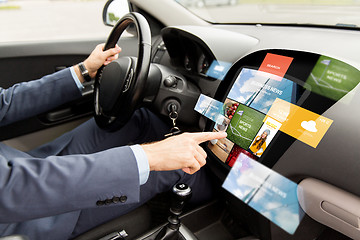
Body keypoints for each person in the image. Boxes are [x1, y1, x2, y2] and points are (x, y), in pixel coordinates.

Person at [0, 44, 227, 240]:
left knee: (139, 120)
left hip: (24, 164)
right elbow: (12, 188)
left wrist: (83, 71)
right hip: (25, 213)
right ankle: (226, 212)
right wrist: (152, 156)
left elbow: (3, 103)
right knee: (179, 165)